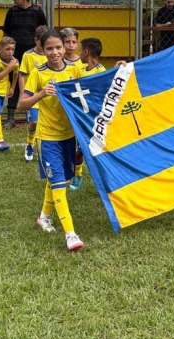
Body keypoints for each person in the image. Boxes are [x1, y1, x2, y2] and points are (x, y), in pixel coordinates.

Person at [17, 29, 86, 252]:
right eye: (50, 48)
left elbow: (93, 88)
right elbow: (22, 104)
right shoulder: (38, 73)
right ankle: (71, 234)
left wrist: (118, 69)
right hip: (47, 138)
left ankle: (44, 216)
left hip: (69, 136)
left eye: (58, 47)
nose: (55, 52)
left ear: (65, 47)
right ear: (43, 50)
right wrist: (41, 95)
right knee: (59, 185)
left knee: (61, 181)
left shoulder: (75, 70)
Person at [2, 0, 47, 129]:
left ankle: (37, 114)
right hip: (15, 53)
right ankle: (11, 117)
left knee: (35, 81)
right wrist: (2, 50)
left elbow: (44, 33)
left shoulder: (37, 12)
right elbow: (6, 34)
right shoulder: (12, 12)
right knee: (14, 83)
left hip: (33, 54)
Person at [69, 37, 107, 191]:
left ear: (86, 52)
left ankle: (104, 179)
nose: (79, 54)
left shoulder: (102, 72)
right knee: (80, 149)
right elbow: (71, 87)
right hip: (81, 117)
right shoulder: (79, 69)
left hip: (96, 118)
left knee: (99, 150)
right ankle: (77, 175)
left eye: (80, 50)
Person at [17, 26, 49, 163]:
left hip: (49, 96)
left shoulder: (52, 55)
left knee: (46, 124)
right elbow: (22, 75)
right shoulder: (28, 55)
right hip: (33, 95)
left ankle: (43, 149)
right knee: (34, 122)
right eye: (42, 42)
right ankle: (30, 144)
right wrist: (24, 94)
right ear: (36, 40)